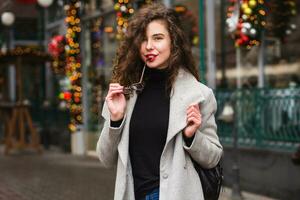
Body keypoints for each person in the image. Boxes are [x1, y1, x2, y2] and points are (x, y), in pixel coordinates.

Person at [96, 3, 223, 200]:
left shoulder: (199, 95)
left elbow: (213, 157)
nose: (149, 47)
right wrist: (115, 120)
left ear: (174, 42)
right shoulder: (125, 93)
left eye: (158, 38)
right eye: (143, 40)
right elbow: (105, 158)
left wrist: (192, 137)